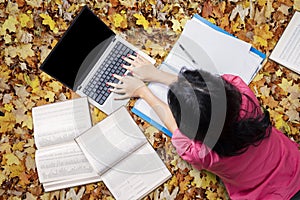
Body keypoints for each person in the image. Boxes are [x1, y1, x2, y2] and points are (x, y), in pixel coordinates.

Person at [107, 54, 300, 200]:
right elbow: (213, 92)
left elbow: (173, 125)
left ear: (191, 130)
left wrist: (142, 91)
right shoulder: (243, 95)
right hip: (294, 166)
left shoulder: (199, 152)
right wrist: (158, 75)